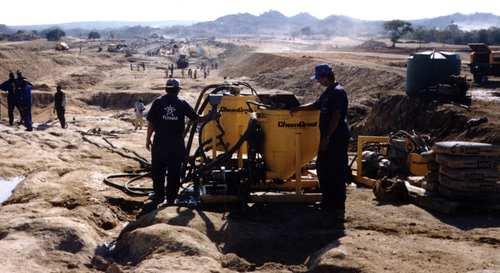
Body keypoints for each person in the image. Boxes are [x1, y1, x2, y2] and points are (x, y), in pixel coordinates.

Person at [145, 79, 217, 211]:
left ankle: (159, 196)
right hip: (176, 145)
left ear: (166, 89)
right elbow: (197, 119)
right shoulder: (181, 103)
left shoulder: (158, 102)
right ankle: (171, 199)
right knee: (174, 173)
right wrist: (211, 116)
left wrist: (148, 139)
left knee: (158, 172)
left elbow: (151, 123)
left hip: (159, 144)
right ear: (178, 90)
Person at [291, 64, 350, 220]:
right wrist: (298, 109)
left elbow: (336, 117)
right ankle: (327, 201)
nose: (318, 82)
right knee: (323, 168)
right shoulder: (329, 92)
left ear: (325, 76)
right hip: (328, 137)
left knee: (335, 170)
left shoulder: (338, 92)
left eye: (318, 79)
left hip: (336, 138)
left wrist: (327, 138)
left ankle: (336, 205)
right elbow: (316, 105)